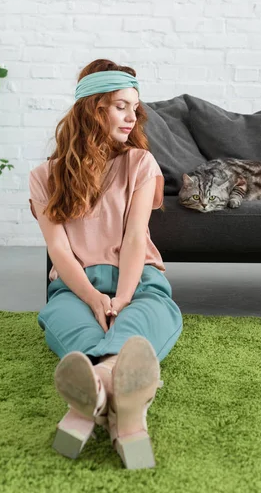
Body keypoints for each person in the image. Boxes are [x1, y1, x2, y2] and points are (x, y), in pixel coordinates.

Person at [28, 59, 183, 469]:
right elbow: (60, 252)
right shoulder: (44, 176)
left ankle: (95, 389)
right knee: (63, 318)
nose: (133, 116)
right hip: (75, 285)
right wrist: (95, 298)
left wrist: (123, 298)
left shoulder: (140, 163)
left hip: (138, 279)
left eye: (135, 107)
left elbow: (135, 238)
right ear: (92, 108)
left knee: (149, 316)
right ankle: (127, 413)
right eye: (120, 106)